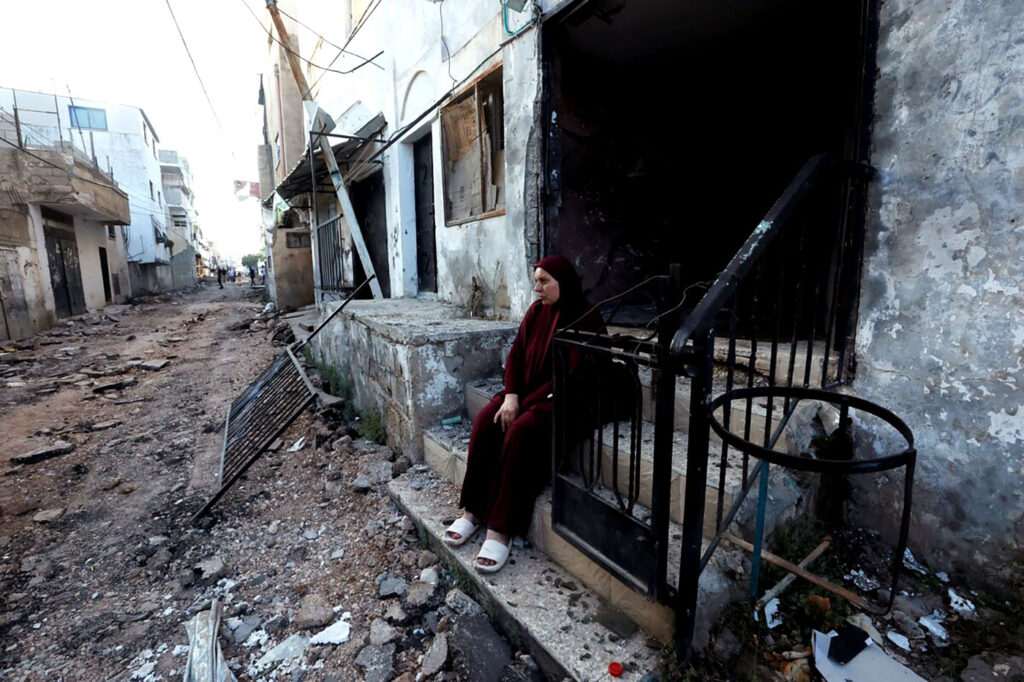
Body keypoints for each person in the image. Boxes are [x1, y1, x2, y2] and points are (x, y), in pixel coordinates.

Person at [444, 255, 603, 573]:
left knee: (520, 432)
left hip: (564, 401)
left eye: (544, 281)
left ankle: (501, 528)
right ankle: (474, 511)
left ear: (563, 281)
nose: (537, 288)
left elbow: (574, 378)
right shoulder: (536, 312)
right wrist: (512, 395)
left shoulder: (586, 318)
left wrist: (527, 402)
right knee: (487, 421)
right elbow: (516, 354)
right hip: (527, 393)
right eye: (536, 281)